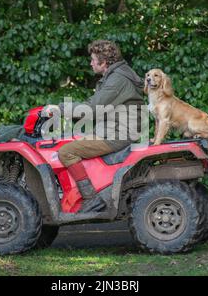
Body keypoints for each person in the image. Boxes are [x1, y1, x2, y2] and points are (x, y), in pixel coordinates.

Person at [50, 40, 144, 213]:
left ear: (104, 62)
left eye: (93, 59)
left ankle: (91, 198)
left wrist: (60, 109)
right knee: (73, 139)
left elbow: (92, 108)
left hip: (117, 134)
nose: (91, 63)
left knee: (66, 151)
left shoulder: (118, 79)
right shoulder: (116, 76)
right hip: (115, 130)